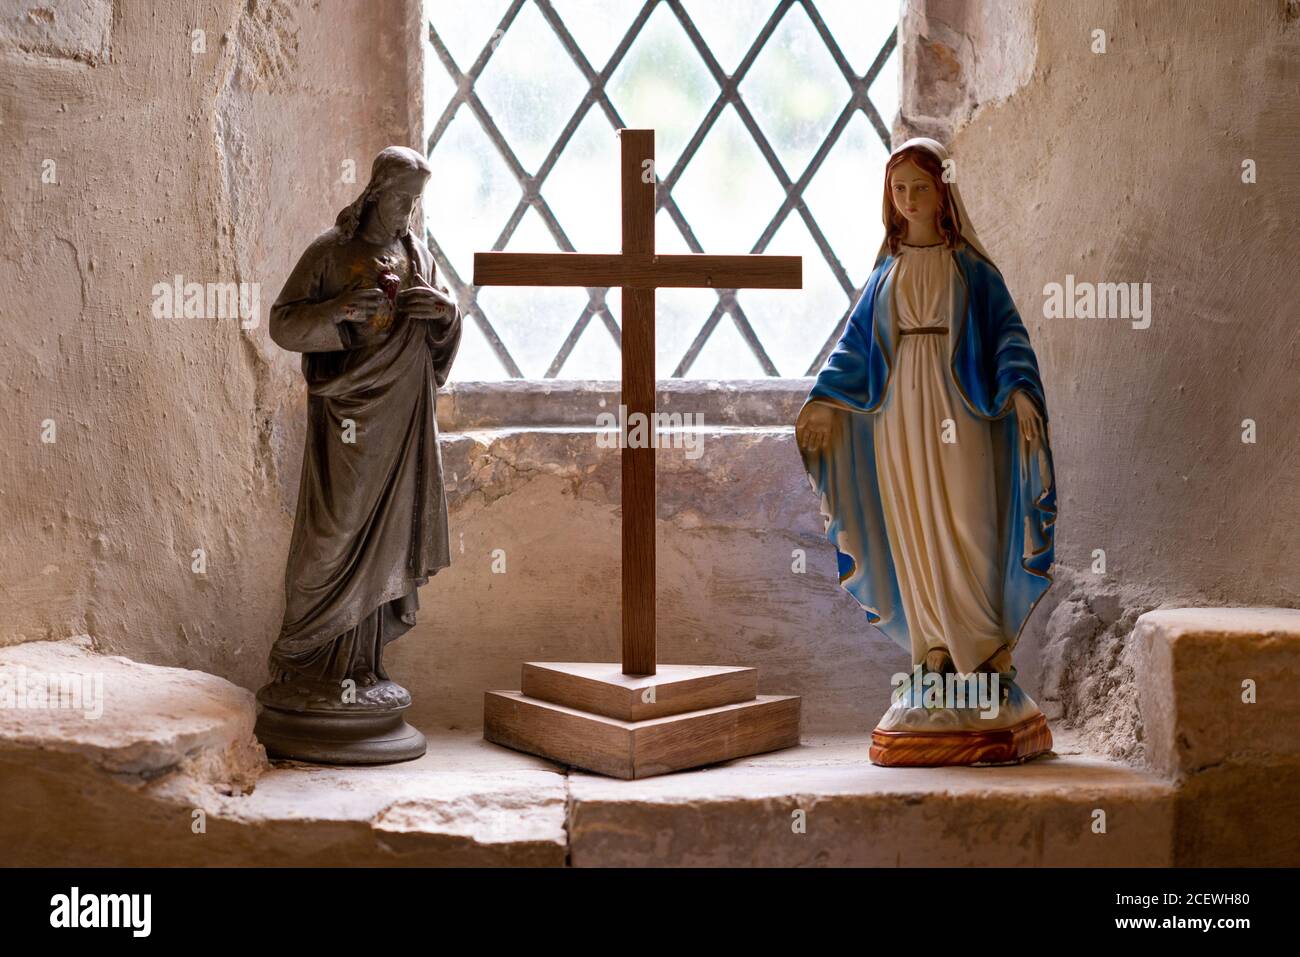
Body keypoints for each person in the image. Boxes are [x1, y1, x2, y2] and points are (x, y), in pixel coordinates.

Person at [796, 138, 1055, 681]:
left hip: (958, 404)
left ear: (943, 191)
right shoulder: (885, 272)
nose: (909, 199)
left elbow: (1008, 335)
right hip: (897, 412)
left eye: (920, 187)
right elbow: (855, 344)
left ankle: (983, 645)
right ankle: (933, 644)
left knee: (966, 513)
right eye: (899, 189)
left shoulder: (971, 269)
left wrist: (1021, 391)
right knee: (910, 517)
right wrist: (823, 402)